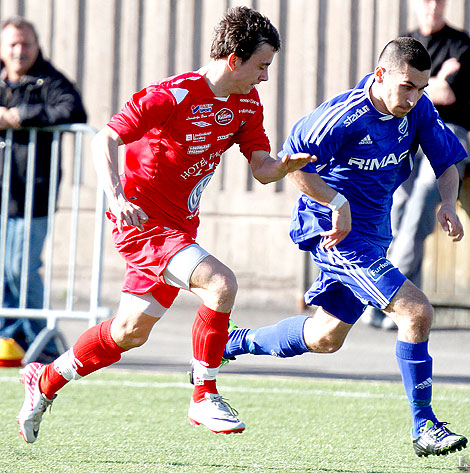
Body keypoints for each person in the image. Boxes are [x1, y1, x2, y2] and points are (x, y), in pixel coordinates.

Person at [16, 6, 314, 444]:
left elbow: (261, 168)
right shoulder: (172, 95)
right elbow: (105, 139)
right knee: (221, 284)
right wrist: (115, 196)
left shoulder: (247, 103)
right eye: (262, 66)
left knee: (128, 333)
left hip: (179, 230)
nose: (266, 76)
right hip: (141, 223)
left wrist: (285, 166)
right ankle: (204, 394)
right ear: (234, 59)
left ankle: (44, 381)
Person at [222, 37, 469, 457]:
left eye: (421, 88)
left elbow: (446, 161)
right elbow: (291, 163)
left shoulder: (417, 109)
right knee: (416, 311)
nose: (414, 97)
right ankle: (425, 427)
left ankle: (228, 344)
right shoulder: (343, 116)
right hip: (335, 236)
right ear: (381, 75)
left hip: (372, 238)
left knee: (324, 338)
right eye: (407, 86)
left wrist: (447, 202)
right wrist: (335, 202)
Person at [363, 0, 470, 329]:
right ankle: (392, 300)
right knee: (395, 209)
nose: (433, 7)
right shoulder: (404, 45)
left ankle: (390, 301)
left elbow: (447, 96)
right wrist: (439, 78)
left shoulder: (461, 44)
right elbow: (418, 91)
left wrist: (430, 87)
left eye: (439, 1)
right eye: (426, 1)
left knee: (419, 209)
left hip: (448, 134)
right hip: (406, 133)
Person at [0, 17, 87, 357]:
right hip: (2, 192)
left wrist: (20, 115)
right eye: (13, 45)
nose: (20, 51)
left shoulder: (49, 79)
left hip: (32, 193)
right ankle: (11, 337)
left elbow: (73, 110)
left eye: (26, 44)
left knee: (21, 268)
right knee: (3, 269)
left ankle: (44, 342)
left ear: (37, 46)